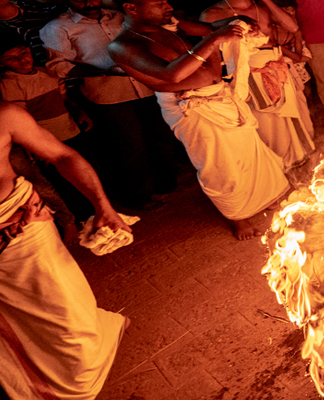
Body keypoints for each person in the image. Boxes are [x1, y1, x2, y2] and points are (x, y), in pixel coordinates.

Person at [107, 0, 289, 240]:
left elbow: (213, 27)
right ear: (132, 8)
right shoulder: (122, 45)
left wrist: (240, 23)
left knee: (248, 152)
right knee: (220, 165)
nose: (168, 5)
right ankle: (237, 217)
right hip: (189, 106)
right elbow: (171, 74)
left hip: (217, 94)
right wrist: (214, 40)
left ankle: (263, 198)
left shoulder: (170, 23)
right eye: (159, 2)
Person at [0, 102, 130, 400]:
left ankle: (80, 378)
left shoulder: (5, 116)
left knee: (67, 315)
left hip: (23, 230)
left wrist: (103, 206)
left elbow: (63, 155)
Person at [39, 0, 184, 210]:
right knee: (129, 147)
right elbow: (58, 66)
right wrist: (104, 72)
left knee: (161, 136)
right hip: (108, 95)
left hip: (147, 86)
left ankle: (166, 185)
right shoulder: (57, 28)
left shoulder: (119, 16)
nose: (89, 3)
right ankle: (140, 197)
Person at [1, 40, 100, 239]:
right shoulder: (9, 84)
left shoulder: (46, 72)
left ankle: (96, 211)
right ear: (2, 64)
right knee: (64, 183)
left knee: (85, 170)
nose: (21, 61)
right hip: (46, 142)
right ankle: (80, 219)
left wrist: (78, 111)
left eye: (23, 54)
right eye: (11, 59)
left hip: (70, 130)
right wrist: (34, 148)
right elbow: (21, 121)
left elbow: (63, 98)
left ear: (29, 50)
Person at [201, 0, 315, 170]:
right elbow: (212, 52)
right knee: (269, 127)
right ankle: (277, 168)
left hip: (280, 69)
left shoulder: (262, 7)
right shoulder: (212, 14)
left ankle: (301, 162)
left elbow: (293, 28)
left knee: (297, 117)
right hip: (251, 78)